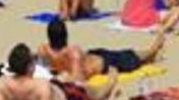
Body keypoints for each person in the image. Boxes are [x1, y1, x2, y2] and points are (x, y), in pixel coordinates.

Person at [0, 44, 118, 100]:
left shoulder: (3, 84)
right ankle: (112, 80)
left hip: (54, 89)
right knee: (97, 92)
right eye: (32, 61)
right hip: (69, 96)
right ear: (29, 67)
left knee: (65, 78)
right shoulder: (41, 86)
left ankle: (106, 81)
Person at [37, 18, 165, 82]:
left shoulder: (72, 53)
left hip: (104, 62)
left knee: (130, 56)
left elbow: (78, 79)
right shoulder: (43, 49)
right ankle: (151, 53)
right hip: (91, 56)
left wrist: (62, 77)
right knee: (124, 53)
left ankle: (152, 49)